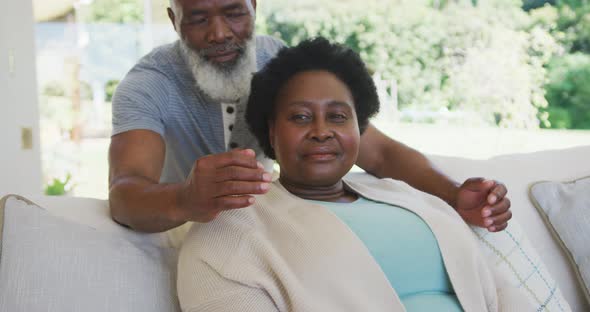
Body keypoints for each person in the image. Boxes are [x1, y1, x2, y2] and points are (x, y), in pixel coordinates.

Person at [177, 37, 532, 312]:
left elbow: (499, 292)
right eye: (300, 117)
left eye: (337, 116)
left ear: (358, 129)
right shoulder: (232, 228)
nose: (321, 131)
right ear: (271, 132)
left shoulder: (409, 198)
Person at [108, 0, 511, 234]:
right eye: (198, 18)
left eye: (234, 12)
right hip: (181, 229)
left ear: (254, 6)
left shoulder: (279, 61)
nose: (219, 33)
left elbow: (381, 154)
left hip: (271, 226)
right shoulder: (148, 85)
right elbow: (125, 191)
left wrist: (455, 195)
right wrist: (185, 197)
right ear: (173, 18)